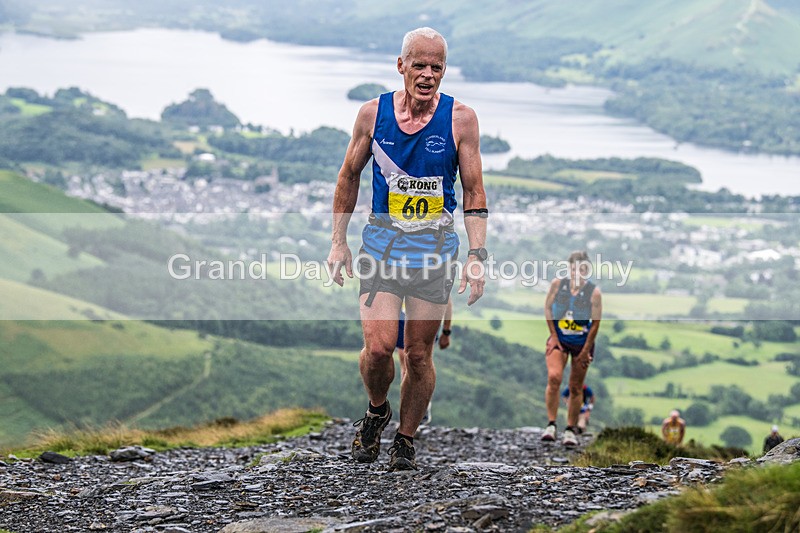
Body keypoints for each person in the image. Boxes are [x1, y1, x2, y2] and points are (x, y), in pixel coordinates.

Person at [327, 27, 487, 471]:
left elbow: (474, 191)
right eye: (419, 65)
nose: (428, 75)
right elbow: (348, 176)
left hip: (434, 252)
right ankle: (378, 409)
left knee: (418, 354)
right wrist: (338, 242)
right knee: (379, 349)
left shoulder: (461, 120)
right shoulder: (372, 114)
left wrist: (477, 256)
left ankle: (405, 438)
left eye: (437, 67)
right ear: (401, 66)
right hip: (382, 246)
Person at [541, 250, 602, 447]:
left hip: (582, 343)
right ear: (569, 268)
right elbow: (548, 308)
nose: (578, 272)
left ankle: (570, 429)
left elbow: (595, 323)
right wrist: (553, 335)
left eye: (583, 269)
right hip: (559, 339)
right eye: (575, 268)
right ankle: (551, 425)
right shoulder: (558, 285)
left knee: (576, 387)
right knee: (554, 377)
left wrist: (585, 350)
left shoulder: (594, 292)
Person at [398, 298, 453, 427]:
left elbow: (446, 299)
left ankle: (421, 409)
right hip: (403, 315)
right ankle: (409, 415)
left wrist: (446, 331)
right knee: (406, 364)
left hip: (427, 314)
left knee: (419, 360)